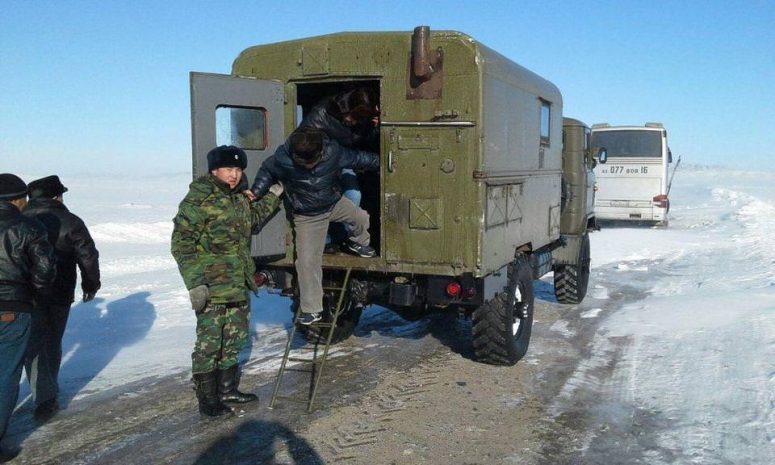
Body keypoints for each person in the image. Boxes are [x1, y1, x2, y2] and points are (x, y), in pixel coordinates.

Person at [171, 146, 283, 418]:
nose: (234, 175)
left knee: (234, 338)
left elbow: (252, 222)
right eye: (228, 169)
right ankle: (208, 400)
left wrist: (273, 196)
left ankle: (228, 390)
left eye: (238, 169)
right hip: (212, 286)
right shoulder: (197, 201)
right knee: (209, 343)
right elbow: (181, 245)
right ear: (214, 170)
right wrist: (195, 284)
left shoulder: (238, 199)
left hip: (237, 282)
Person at [250, 127, 379, 325]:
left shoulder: (333, 152)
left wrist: (382, 162)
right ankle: (312, 309)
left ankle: (357, 243)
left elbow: (357, 158)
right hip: (307, 216)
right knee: (306, 262)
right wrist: (256, 191)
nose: (309, 166)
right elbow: (267, 170)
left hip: (333, 203)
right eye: (304, 162)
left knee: (360, 217)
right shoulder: (282, 158)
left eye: (312, 161)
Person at [22, 175, 101, 422]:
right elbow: (88, 256)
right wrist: (90, 284)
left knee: (33, 343)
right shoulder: (71, 221)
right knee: (52, 341)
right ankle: (47, 396)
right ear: (57, 196)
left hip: (26, 293)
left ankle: (43, 392)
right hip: (60, 291)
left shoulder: (20, 220)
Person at [0, 174, 56, 462]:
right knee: (6, 374)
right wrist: (37, 296)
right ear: (18, 200)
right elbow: (45, 270)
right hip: (12, 308)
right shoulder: (27, 226)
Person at [298, 88, 380, 251]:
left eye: (358, 119)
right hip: (320, 165)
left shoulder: (359, 120)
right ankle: (327, 241)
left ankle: (351, 240)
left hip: (344, 162)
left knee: (353, 196)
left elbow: (360, 140)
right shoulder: (319, 117)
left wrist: (375, 129)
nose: (353, 121)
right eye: (353, 117)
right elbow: (309, 147)